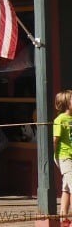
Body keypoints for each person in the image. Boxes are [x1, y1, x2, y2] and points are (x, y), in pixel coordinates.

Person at [54, 90, 72, 227]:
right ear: (66, 103)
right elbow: (55, 140)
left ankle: (64, 220)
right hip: (65, 158)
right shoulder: (60, 119)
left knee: (66, 189)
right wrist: (57, 157)